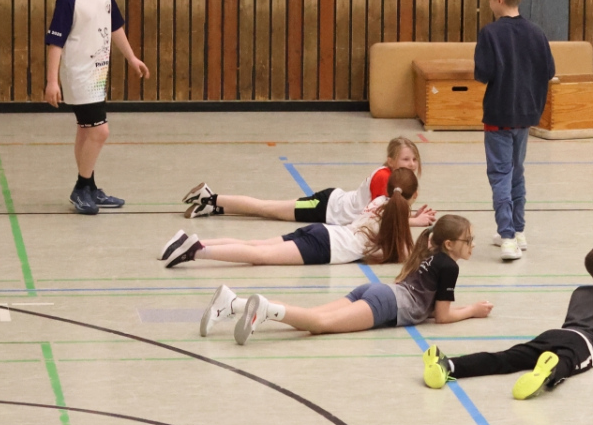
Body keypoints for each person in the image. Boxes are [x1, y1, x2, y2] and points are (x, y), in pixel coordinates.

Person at [208, 215, 494, 343]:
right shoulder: (449, 266)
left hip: (377, 291)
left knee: (311, 318)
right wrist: (472, 310)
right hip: (386, 303)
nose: (472, 244)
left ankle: (233, 304)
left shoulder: (430, 254)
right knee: (319, 324)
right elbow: (442, 317)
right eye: (467, 240)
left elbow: (428, 306)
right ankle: (265, 309)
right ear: (449, 244)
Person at [422, 242, 593, 399]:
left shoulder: (579, 292)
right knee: (566, 362)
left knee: (506, 358)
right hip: (586, 345)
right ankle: (546, 374)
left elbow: (571, 323)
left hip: (556, 335)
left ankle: (449, 365)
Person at [44, 0, 150, 214]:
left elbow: (115, 26)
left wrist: (131, 57)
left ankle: (90, 187)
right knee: (100, 131)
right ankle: (81, 188)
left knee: (86, 130)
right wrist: (52, 81)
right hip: (79, 75)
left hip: (98, 72)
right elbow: (55, 43)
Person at [159, 169, 420, 268]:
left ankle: (190, 242)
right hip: (324, 246)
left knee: (255, 245)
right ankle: (194, 252)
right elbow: (402, 252)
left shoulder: (379, 202)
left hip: (323, 232)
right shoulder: (394, 217)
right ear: (415, 195)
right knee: (259, 256)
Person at [474, 0, 556, 261]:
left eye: (489, 0)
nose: (489, 5)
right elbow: (549, 71)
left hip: (499, 113)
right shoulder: (536, 32)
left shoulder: (490, 33)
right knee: (516, 172)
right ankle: (518, 231)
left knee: (500, 174)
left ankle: (507, 236)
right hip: (526, 114)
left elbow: (483, 73)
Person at [182, 137, 431, 224]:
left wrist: (411, 215)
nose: (411, 164)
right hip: (325, 207)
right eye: (405, 159)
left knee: (268, 210)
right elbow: (381, 217)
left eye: (414, 159)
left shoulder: (397, 181)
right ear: (390, 161)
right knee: (267, 208)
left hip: (332, 208)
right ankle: (210, 197)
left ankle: (212, 206)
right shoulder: (384, 178)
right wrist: (414, 221)